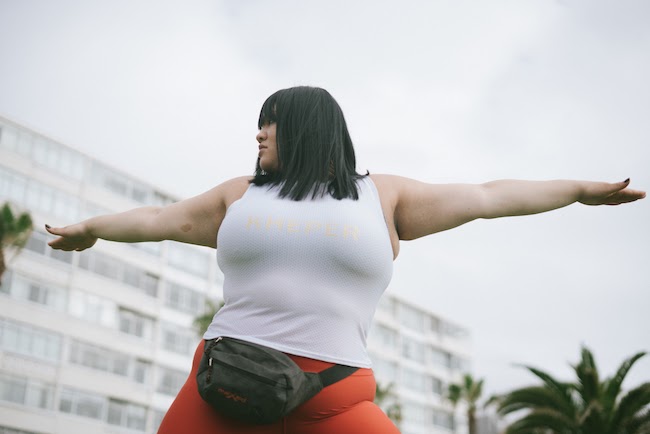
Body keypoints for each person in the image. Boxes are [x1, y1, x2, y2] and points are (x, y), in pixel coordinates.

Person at [46, 86, 645, 434]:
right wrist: (91, 230)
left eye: (270, 125)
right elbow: (157, 220)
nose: (257, 136)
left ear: (309, 128)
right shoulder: (238, 194)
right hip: (222, 385)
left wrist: (576, 190)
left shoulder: (383, 195)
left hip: (332, 394)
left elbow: (488, 197)